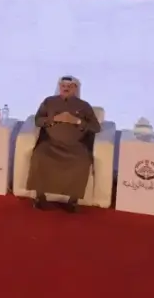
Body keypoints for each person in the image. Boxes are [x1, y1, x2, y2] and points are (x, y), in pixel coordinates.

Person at [26, 75, 101, 212]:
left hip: (75, 146)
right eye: (63, 86)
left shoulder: (84, 106)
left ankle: (73, 201)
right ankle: (39, 197)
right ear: (59, 87)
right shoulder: (49, 102)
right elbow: (38, 120)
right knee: (39, 156)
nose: (66, 88)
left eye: (69, 86)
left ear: (75, 88)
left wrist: (76, 121)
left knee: (82, 162)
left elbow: (96, 127)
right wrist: (54, 118)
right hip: (51, 144)